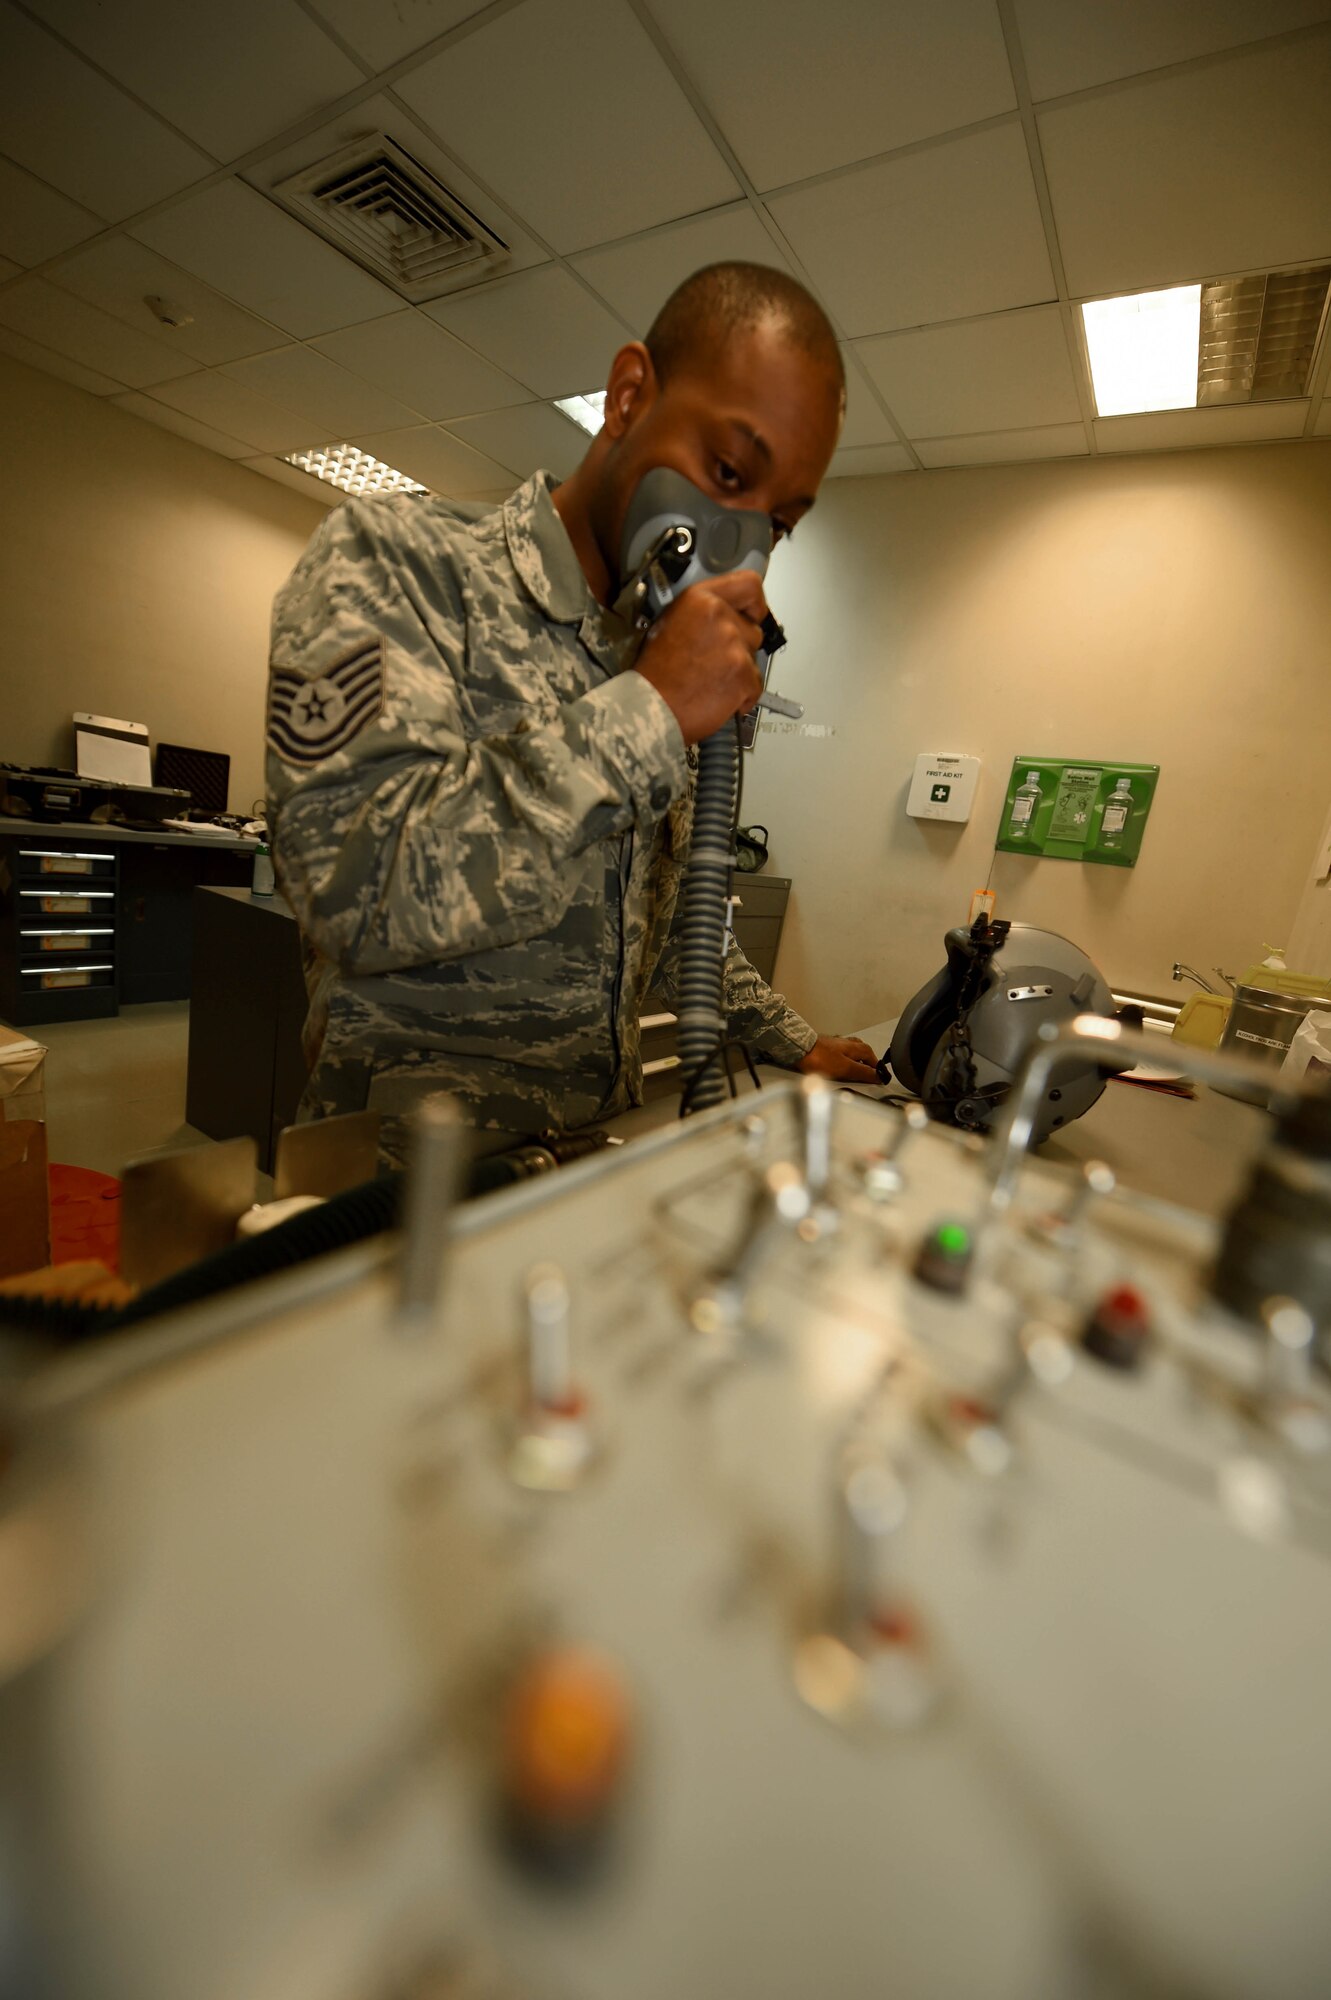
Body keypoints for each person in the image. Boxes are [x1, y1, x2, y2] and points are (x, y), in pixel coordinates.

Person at [266, 261, 879, 1164]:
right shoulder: (398, 563)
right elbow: (349, 892)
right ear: (629, 396)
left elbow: (678, 923)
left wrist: (791, 1038)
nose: (742, 540)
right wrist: (647, 714)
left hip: (583, 1161)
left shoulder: (652, 661)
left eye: (777, 521)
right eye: (724, 470)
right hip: (399, 1178)